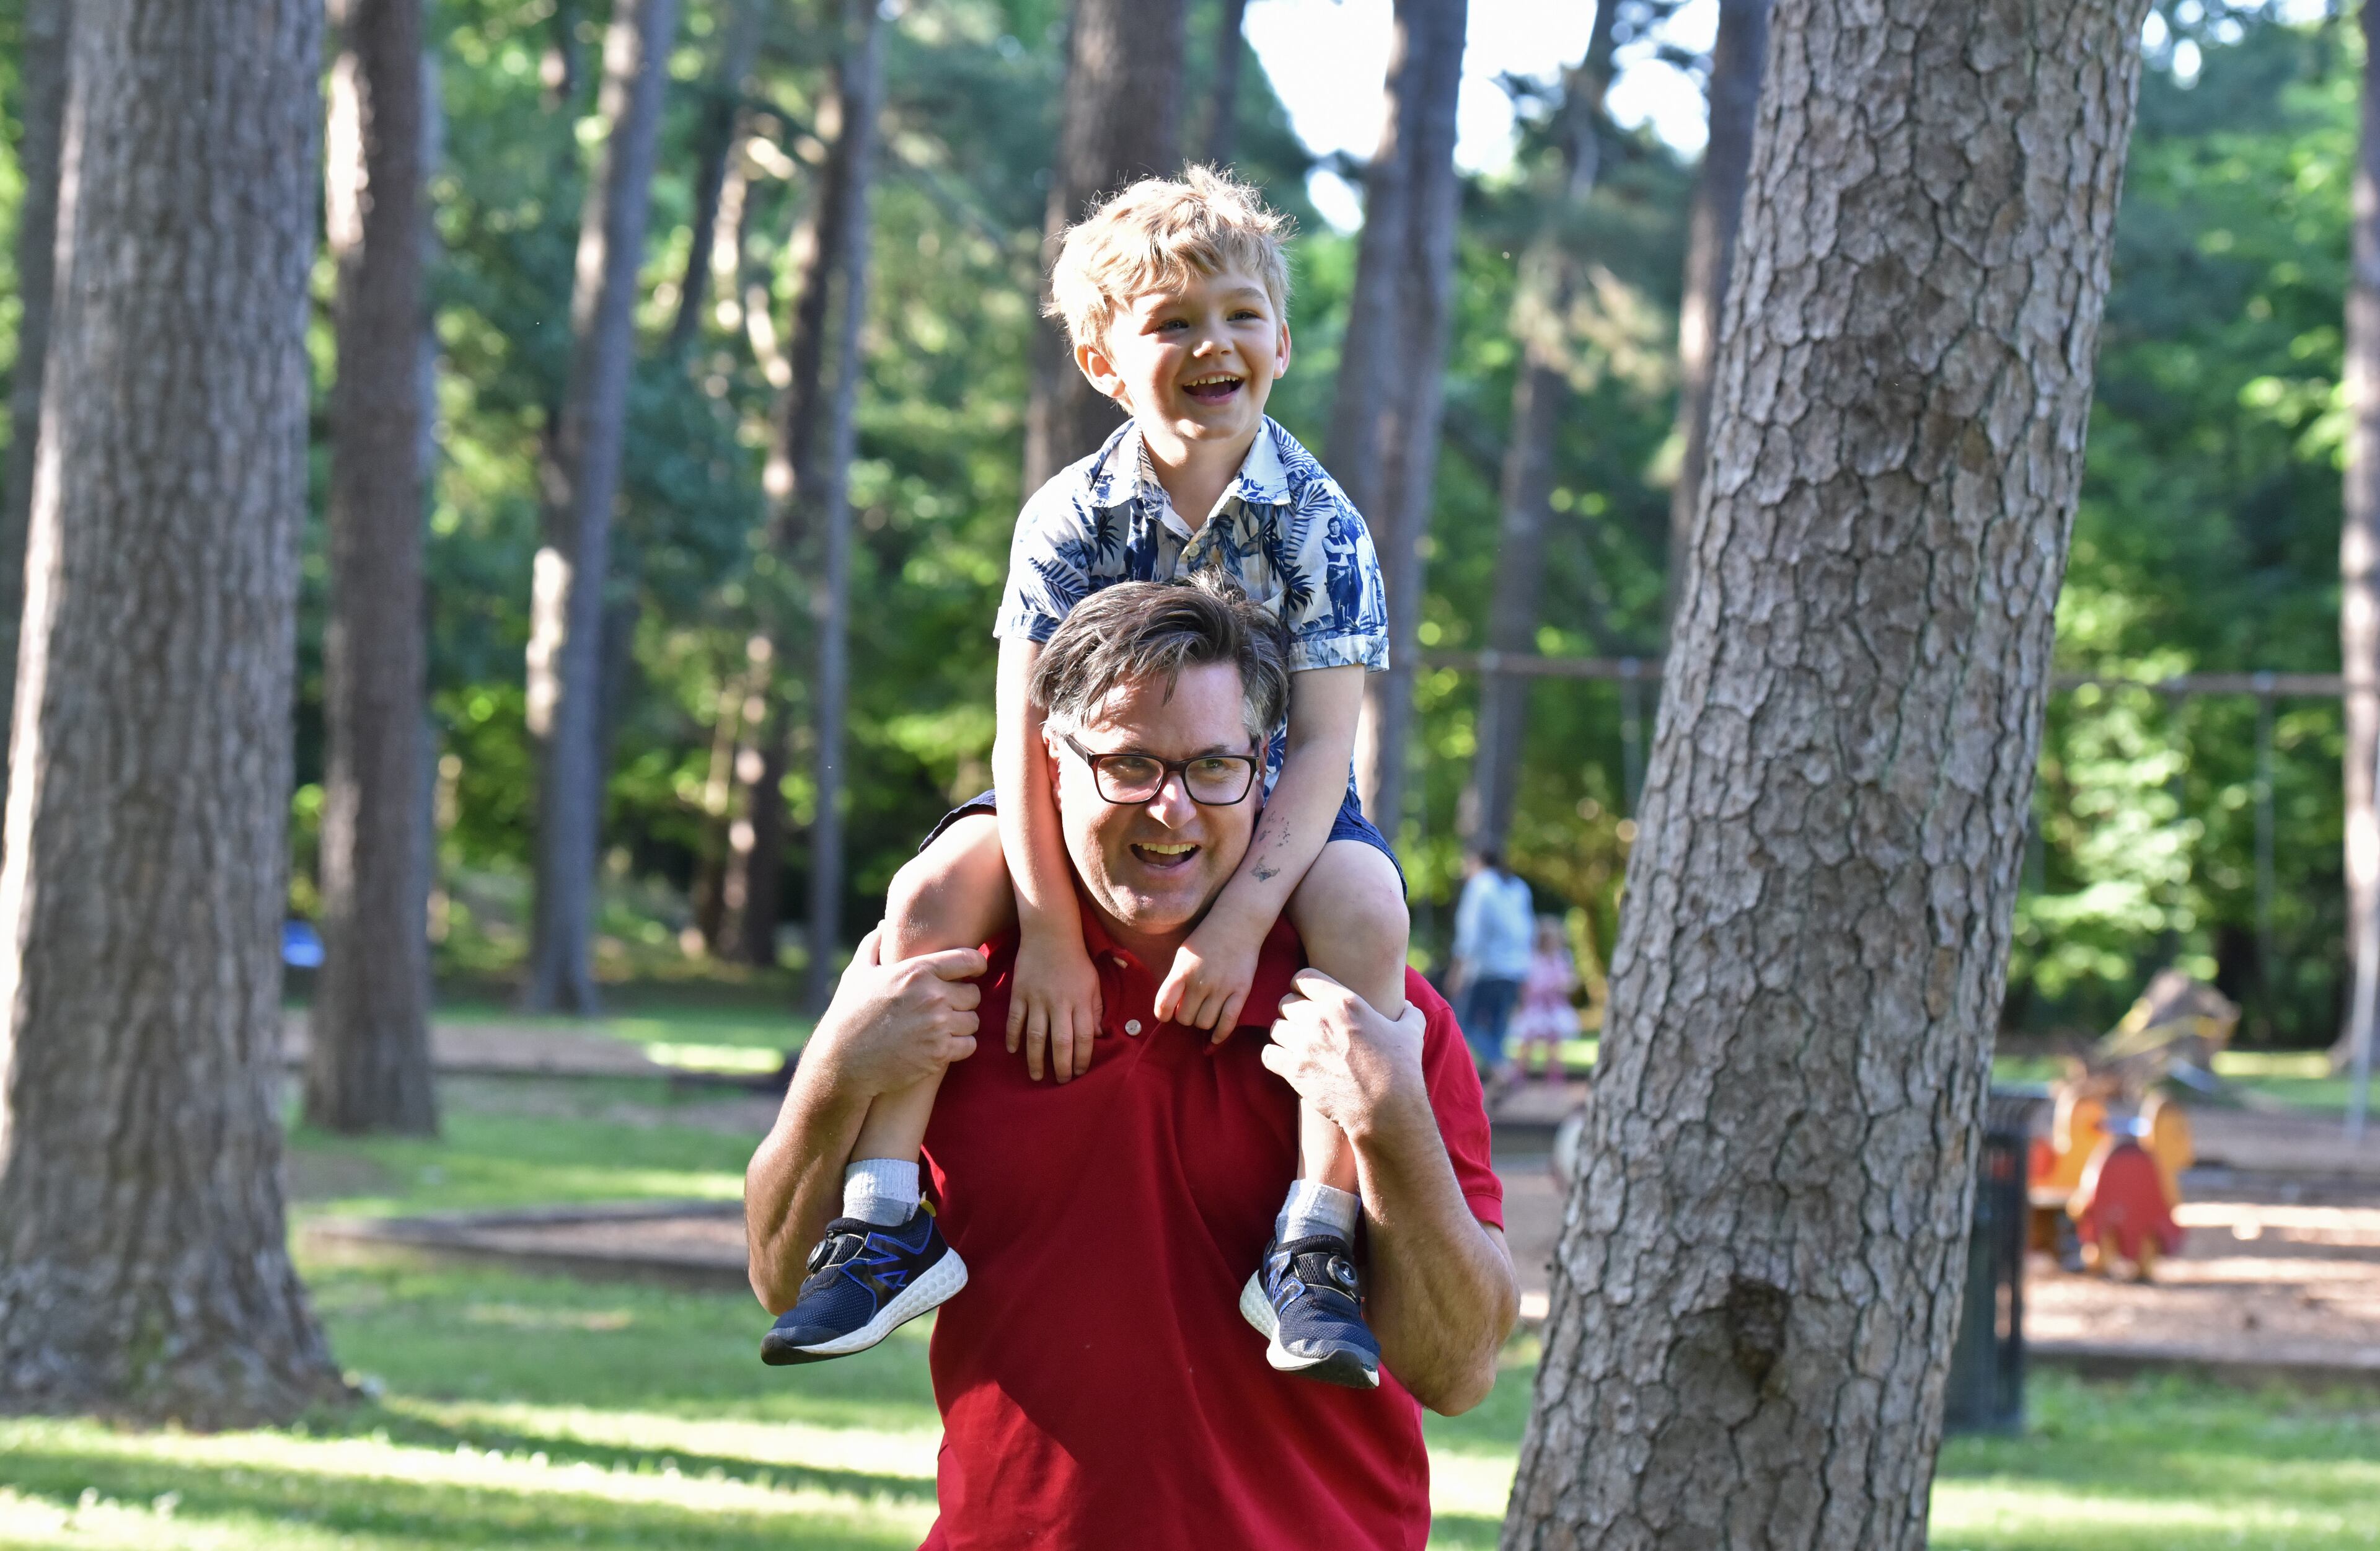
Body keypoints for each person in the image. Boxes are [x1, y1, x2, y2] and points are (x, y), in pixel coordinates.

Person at [757, 166, 1414, 1374]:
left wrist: (1245, 921)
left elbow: (1325, 743)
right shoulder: (1070, 516)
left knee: (1369, 907)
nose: (1213, 343)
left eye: (1238, 315)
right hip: (1079, 784)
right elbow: (1020, 734)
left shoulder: (1323, 524)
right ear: (1106, 362)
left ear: (1278, 338)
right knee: (929, 895)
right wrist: (1051, 936)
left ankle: (1315, 1243)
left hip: (1265, 795)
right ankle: (888, 1218)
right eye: (1172, 322)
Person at [743, 582, 1517, 1549]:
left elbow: (1459, 1370)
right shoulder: (946, 993)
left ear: (1264, 775)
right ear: (1049, 768)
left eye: (1214, 767)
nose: (1174, 805)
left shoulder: (1364, 1012)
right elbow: (782, 1278)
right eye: (1130, 764)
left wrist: (1390, 1111)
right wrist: (833, 1073)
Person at [1450, 849, 1533, 1077]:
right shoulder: (1518, 887)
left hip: (1485, 969)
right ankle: (1498, 1078)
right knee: (1499, 1030)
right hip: (1515, 970)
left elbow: (1470, 934)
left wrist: (1458, 970)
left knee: (1465, 1023)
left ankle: (1501, 1068)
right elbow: (1527, 930)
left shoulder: (1480, 886)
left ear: (1476, 860)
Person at [1509, 914, 1580, 1083]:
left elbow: (1569, 980)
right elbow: (1528, 984)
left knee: (1554, 1043)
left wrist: (1566, 986)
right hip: (1536, 1007)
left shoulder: (1561, 959)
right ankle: (1520, 1073)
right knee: (1527, 1040)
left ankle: (1555, 1074)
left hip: (1554, 1008)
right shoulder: (1532, 960)